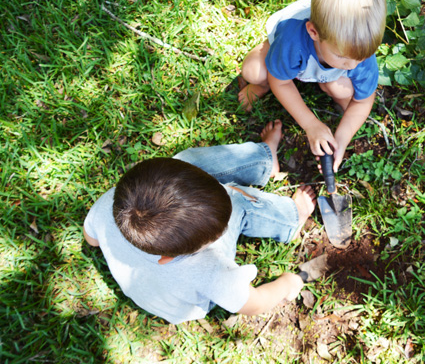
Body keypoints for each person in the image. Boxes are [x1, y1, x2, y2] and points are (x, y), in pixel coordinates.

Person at [83, 120, 317, 324]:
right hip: (187, 300)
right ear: (168, 257)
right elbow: (255, 305)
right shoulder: (209, 270)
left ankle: (265, 159)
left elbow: (91, 240)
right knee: (234, 199)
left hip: (161, 265)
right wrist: (288, 283)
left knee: (186, 161)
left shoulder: (111, 203)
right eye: (216, 234)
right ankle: (291, 220)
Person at [238, 0, 386, 172]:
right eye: (343, 57)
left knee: (345, 93)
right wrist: (310, 124)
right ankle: (266, 62)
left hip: (322, 61)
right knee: (254, 72)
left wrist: (342, 139)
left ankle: (326, 79)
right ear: (313, 32)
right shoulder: (293, 42)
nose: (352, 65)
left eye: (359, 58)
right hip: (292, 51)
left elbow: (363, 102)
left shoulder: (357, 52)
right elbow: (279, 81)